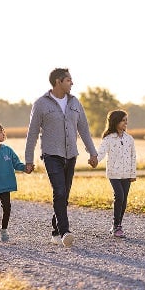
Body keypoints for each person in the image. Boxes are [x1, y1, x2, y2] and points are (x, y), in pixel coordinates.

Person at [24, 67, 98, 248]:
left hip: (71, 154)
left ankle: (56, 231)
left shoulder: (75, 102)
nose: (72, 83)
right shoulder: (41, 104)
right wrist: (29, 159)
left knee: (63, 195)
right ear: (58, 81)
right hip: (51, 154)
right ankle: (65, 231)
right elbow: (32, 132)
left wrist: (93, 152)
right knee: (59, 191)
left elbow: (84, 129)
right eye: (69, 80)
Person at [96, 109, 136, 238]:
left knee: (124, 200)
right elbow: (101, 152)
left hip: (126, 174)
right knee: (119, 196)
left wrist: (133, 173)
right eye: (123, 120)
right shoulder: (108, 139)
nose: (126, 123)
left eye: (126, 121)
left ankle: (118, 224)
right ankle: (115, 225)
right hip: (114, 173)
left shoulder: (129, 139)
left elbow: (133, 156)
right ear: (115, 121)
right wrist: (94, 160)